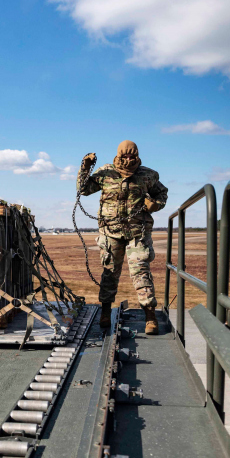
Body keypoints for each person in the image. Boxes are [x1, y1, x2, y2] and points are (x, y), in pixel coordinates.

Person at [77, 140, 168, 334]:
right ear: (118, 155)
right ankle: (105, 312)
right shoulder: (105, 173)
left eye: (131, 156)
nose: (128, 159)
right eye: (124, 156)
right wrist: (84, 168)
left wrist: (155, 204)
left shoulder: (148, 175)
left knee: (141, 272)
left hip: (138, 232)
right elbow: (83, 190)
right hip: (111, 232)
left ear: (136, 155)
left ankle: (150, 316)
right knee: (109, 273)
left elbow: (162, 194)